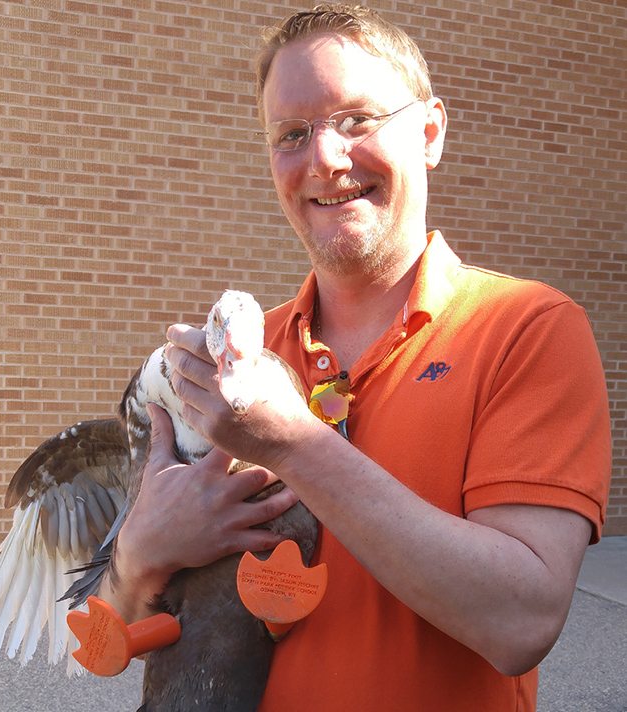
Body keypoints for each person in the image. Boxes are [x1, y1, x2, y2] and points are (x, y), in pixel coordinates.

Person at [100, 5, 612, 710]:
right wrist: (141, 551)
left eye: (357, 119)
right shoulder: (237, 360)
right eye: (292, 134)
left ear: (430, 133)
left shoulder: (527, 330)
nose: (324, 158)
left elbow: (520, 621)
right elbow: (120, 628)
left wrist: (292, 446)